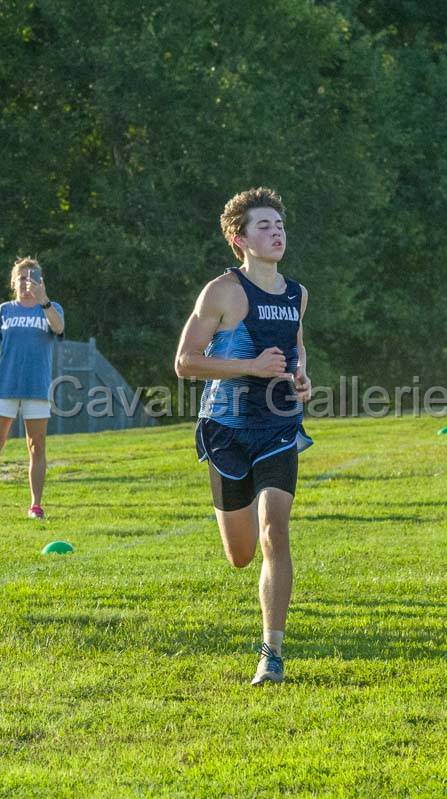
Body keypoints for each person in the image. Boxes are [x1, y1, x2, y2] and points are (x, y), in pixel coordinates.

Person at [174, 187, 312, 686]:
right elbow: (185, 362)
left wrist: (302, 379)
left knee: (276, 526)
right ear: (239, 238)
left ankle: (271, 652)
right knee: (241, 555)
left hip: (278, 427)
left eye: (279, 225)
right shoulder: (222, 292)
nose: (276, 232)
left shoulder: (296, 293)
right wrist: (249, 366)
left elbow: (296, 349)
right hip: (226, 430)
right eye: (264, 226)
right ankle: (265, 629)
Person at [0, 258, 65, 521]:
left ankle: (35, 505)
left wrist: (44, 300)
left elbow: (59, 328)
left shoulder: (51, 308)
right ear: (13, 283)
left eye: (32, 279)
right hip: (6, 387)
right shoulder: (4, 310)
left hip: (37, 388)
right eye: (22, 278)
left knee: (36, 446)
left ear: (41, 282)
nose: (27, 283)